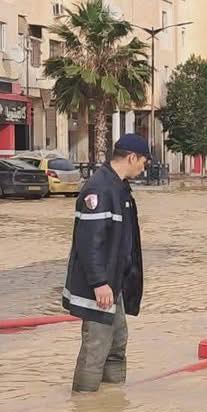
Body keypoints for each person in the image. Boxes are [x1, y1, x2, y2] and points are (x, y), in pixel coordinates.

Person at [63, 134, 150, 392]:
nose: (144, 167)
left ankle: (111, 403)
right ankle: (84, 404)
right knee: (96, 347)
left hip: (114, 284)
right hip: (100, 286)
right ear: (132, 157)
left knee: (117, 342)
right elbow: (89, 243)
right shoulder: (100, 189)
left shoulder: (119, 188)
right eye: (144, 161)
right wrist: (99, 283)